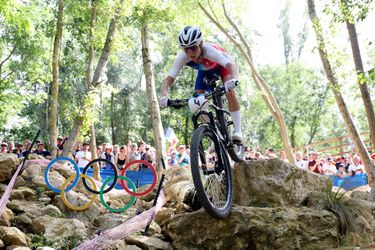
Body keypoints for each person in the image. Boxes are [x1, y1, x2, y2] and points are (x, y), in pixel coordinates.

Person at [159, 26, 243, 142]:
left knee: (230, 92)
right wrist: (164, 95)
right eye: (186, 49)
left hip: (222, 67)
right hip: (205, 71)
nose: (189, 53)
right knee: (198, 102)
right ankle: (215, 131)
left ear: (201, 44)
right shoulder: (183, 57)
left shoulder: (210, 52)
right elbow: (168, 80)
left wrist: (233, 80)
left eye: (193, 48)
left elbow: (231, 66)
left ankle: (238, 131)